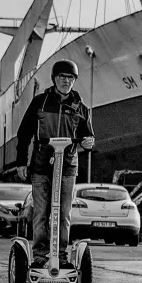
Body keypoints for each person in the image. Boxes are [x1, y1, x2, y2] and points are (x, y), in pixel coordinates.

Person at [15, 60, 94, 268]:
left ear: (74, 81)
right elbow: (24, 134)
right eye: (62, 77)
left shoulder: (81, 108)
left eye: (70, 78)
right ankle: (40, 256)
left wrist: (88, 143)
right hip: (41, 165)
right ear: (54, 79)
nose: (66, 81)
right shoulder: (40, 102)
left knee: (64, 214)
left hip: (67, 167)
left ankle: (60, 256)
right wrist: (21, 162)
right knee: (41, 212)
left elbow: (88, 136)